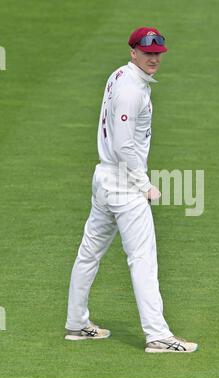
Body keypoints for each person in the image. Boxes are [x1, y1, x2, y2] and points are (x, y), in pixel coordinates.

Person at [65, 27, 198, 353]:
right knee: (142, 259)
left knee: (89, 253)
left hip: (105, 180)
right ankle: (158, 336)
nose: (153, 58)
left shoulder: (121, 76)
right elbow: (124, 145)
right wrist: (145, 186)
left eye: (158, 53)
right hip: (123, 185)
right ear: (133, 52)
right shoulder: (131, 91)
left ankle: (76, 324)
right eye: (147, 52)